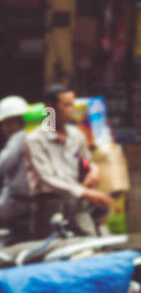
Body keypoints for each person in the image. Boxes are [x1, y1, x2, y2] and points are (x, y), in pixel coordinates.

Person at [24, 85, 112, 237]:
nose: (71, 109)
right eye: (66, 105)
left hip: (77, 202)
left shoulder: (76, 135)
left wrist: (93, 169)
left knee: (89, 242)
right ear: (50, 107)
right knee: (52, 250)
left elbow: (85, 161)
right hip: (48, 205)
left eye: (72, 104)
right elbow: (47, 178)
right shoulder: (35, 140)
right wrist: (85, 193)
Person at [0, 95, 32, 238]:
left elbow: (3, 164)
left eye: (5, 123)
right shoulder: (34, 134)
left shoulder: (19, 137)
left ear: (15, 121)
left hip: (18, 200)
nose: (3, 128)